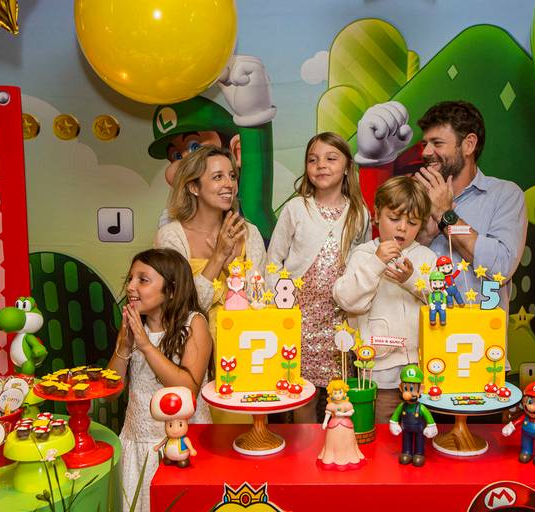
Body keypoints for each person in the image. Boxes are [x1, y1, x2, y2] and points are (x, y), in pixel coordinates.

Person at [154, 145, 266, 424]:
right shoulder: (171, 236)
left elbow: (261, 303)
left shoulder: (249, 234)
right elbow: (181, 308)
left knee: (241, 436)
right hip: (190, 356)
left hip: (241, 355)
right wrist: (218, 256)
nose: (229, 184)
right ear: (194, 187)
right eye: (217, 177)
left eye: (232, 176)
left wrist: (233, 267)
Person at [267, 132, 370, 423]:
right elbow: (273, 261)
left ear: (347, 167)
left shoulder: (359, 213)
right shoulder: (296, 209)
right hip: (300, 317)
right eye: (313, 160)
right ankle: (304, 445)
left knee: (339, 393)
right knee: (303, 392)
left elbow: (364, 266)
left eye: (330, 158)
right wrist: (280, 304)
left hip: (339, 319)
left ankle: (336, 441)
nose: (321, 165)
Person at [108, 248, 212, 512]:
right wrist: (124, 346)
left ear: (172, 290)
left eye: (143, 280)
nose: (131, 287)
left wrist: (145, 345)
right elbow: (112, 391)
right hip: (138, 442)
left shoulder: (194, 324)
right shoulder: (135, 328)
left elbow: (187, 389)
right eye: (130, 278)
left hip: (182, 444)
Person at [333, 176, 437, 424]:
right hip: (379, 370)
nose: (402, 228)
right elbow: (348, 300)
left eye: (412, 222)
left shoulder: (427, 257)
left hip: (421, 369)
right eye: (394, 218)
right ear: (377, 214)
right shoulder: (364, 254)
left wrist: (411, 280)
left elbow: (439, 301)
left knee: (417, 426)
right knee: (381, 427)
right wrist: (376, 263)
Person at [414, 101, 527, 318]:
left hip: (477, 335)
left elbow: (501, 267)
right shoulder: (414, 195)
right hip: (418, 333)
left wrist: (446, 215)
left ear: (469, 144)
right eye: (425, 143)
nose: (426, 152)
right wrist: (425, 235)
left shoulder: (505, 195)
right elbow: (393, 268)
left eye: (437, 143)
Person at [149, 55, 277, 238]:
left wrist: (254, 118)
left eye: (195, 147)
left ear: (236, 152)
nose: (184, 162)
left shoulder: (243, 213)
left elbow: (255, 204)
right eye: (176, 156)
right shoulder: (171, 223)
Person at [388, 364, 438, 467]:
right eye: (406, 389)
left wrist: (431, 426)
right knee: (406, 439)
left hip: (419, 430)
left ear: (421, 389)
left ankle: (419, 454)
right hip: (406, 429)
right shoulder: (402, 406)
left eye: (413, 389)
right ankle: (407, 452)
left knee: (419, 440)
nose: (409, 394)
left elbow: (429, 418)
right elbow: (395, 416)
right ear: (401, 388)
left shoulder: (421, 408)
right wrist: (394, 423)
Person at [317, 379, 365, 469]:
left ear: (344, 393)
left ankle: (349, 456)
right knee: (333, 442)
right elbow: (328, 413)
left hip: (346, 425)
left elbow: (351, 412)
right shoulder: (331, 405)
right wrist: (325, 422)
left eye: (340, 392)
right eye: (335, 393)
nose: (338, 395)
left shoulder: (347, 404)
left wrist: (342, 414)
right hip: (333, 426)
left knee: (347, 441)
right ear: (331, 394)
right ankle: (331, 457)